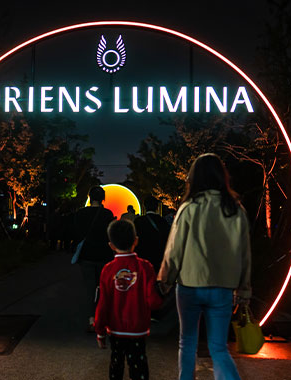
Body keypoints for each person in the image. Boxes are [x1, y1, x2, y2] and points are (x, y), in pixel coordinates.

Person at [158, 153, 251, 380]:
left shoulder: (189, 208)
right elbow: (245, 253)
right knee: (219, 347)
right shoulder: (236, 209)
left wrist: (165, 279)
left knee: (187, 342)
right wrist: (244, 289)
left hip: (190, 285)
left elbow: (175, 249)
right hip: (223, 287)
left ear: (194, 177)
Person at [95, 219, 162, 380]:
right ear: (136, 241)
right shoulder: (146, 267)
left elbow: (103, 303)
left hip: (116, 328)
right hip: (138, 329)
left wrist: (100, 332)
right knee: (138, 366)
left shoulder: (108, 270)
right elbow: (153, 302)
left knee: (116, 364)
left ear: (111, 245)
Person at [74, 186, 116, 332]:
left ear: (89, 197)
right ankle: (103, 319)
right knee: (104, 288)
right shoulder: (107, 214)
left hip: (86, 255)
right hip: (104, 255)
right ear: (103, 198)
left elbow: (76, 233)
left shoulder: (80, 214)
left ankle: (91, 319)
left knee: (89, 288)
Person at [133, 196, 170, 272]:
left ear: (145, 206)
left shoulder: (139, 221)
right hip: (159, 257)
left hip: (143, 256)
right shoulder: (163, 221)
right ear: (156, 207)